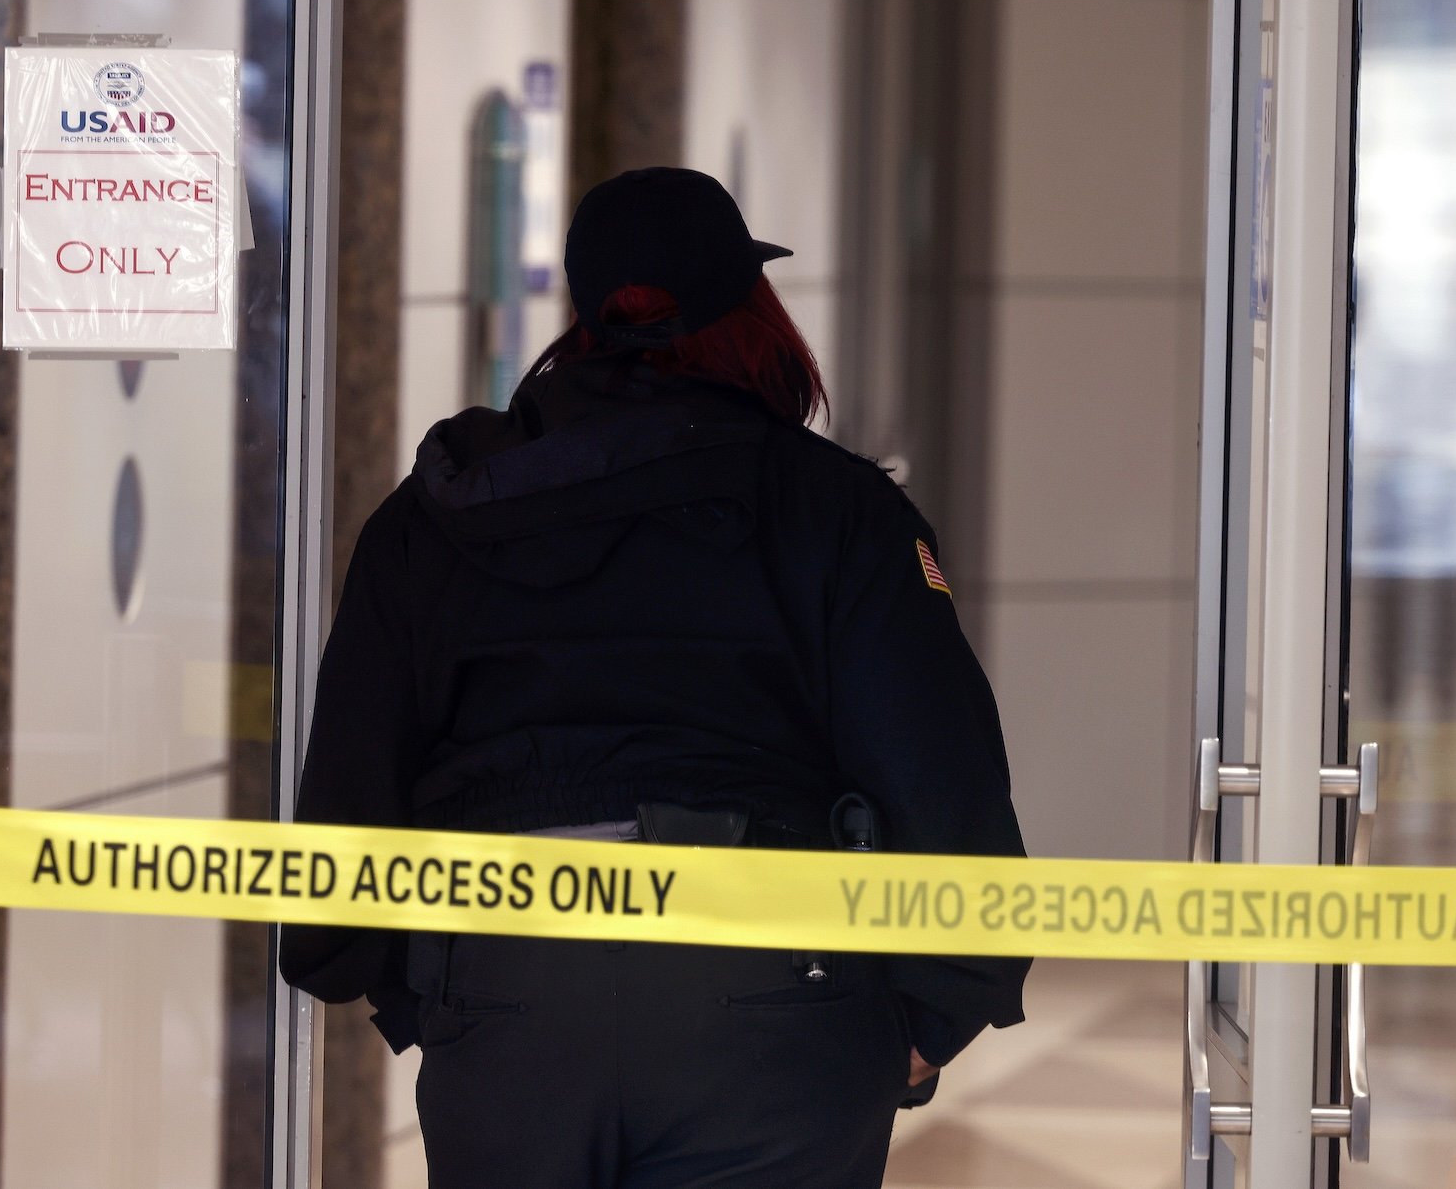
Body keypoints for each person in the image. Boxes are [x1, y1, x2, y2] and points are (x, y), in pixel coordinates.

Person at [281, 167, 1028, 1187]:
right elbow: (941, 774)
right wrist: (931, 1014)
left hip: (505, 983)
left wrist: (421, 991)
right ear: (749, 310)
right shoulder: (836, 513)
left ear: (585, 309)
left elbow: (352, 777)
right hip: (774, 997)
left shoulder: (435, 517)